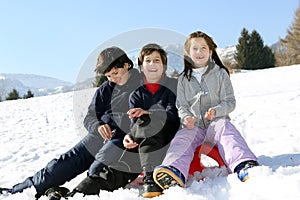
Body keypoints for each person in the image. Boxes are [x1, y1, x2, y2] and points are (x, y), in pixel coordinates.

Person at [0, 46, 142, 199]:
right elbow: (89, 117)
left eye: (115, 73)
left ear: (127, 64)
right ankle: (17, 191)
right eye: (108, 76)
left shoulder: (143, 85)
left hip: (125, 140)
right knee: (61, 165)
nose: (113, 78)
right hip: (100, 136)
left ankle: (71, 195)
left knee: (97, 169)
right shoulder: (105, 89)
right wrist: (98, 126)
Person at [153, 31, 258, 191]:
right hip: (194, 126)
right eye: (194, 48)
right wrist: (187, 117)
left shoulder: (220, 74)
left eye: (203, 48)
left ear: (210, 51)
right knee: (182, 138)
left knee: (226, 130)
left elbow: (230, 102)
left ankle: (244, 164)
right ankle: (173, 170)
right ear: (188, 53)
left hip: (216, 122)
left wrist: (216, 111)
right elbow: (181, 105)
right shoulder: (183, 79)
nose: (199, 52)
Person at [123, 43, 180, 198]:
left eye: (157, 60)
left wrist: (148, 112)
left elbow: (174, 113)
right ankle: (84, 190)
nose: (152, 64)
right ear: (141, 66)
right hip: (145, 140)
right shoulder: (136, 94)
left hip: (170, 133)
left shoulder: (174, 86)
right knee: (141, 124)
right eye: (148, 61)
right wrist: (129, 135)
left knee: (146, 121)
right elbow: (134, 124)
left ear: (164, 65)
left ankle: (150, 178)